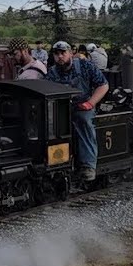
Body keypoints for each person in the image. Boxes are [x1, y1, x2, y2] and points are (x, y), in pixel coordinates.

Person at [45, 41, 109, 182]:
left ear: (70, 53)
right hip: (60, 109)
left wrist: (91, 103)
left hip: (83, 105)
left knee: (84, 121)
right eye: (57, 54)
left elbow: (103, 85)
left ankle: (88, 165)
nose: (60, 57)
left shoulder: (85, 66)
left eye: (63, 53)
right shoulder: (51, 73)